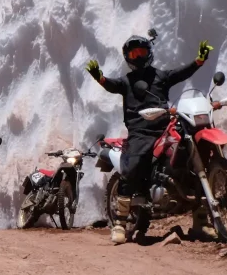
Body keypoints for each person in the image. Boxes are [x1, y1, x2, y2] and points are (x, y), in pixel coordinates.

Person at [85, 36, 215, 244]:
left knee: (190, 159)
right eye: (133, 54)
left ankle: (200, 222)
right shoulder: (127, 81)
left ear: (149, 53)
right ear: (127, 57)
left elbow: (181, 73)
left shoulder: (161, 76)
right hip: (140, 132)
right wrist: (100, 78)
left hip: (165, 127)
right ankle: (120, 223)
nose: (138, 57)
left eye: (141, 52)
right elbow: (112, 85)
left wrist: (199, 61)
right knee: (133, 164)